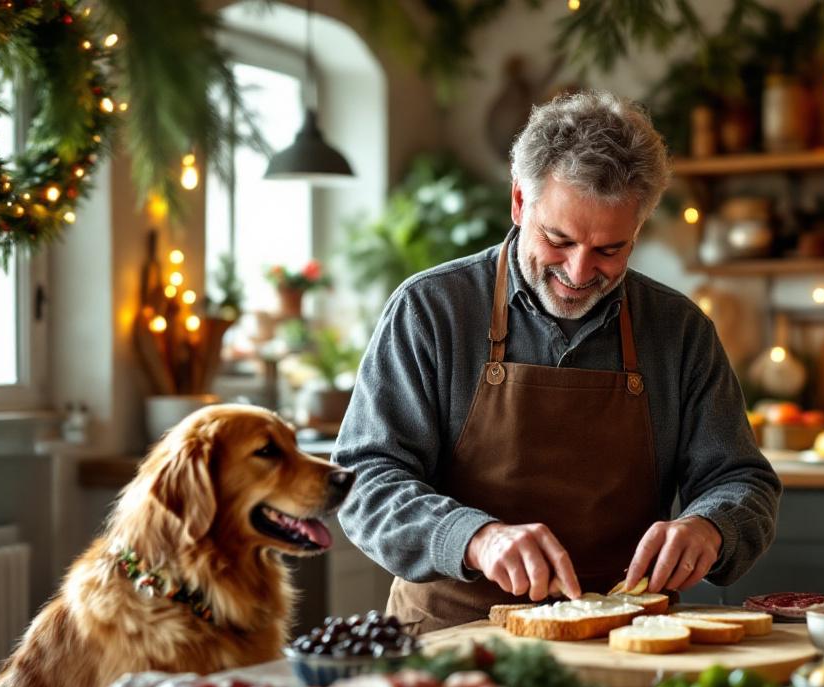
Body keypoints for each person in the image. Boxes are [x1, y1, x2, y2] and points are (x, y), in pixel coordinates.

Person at [333, 90, 780, 633]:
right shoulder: (432, 310)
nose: (578, 270)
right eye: (558, 239)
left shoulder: (679, 331)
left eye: (611, 250)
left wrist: (712, 526)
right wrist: (474, 537)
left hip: (624, 638)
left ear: (638, 230)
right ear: (520, 202)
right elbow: (366, 481)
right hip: (453, 638)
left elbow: (742, 479)